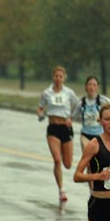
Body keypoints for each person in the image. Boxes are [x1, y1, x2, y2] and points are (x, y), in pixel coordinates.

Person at [37, 66, 80, 204]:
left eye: (61, 76)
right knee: (57, 160)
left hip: (66, 128)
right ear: (53, 77)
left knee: (67, 164)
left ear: (64, 78)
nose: (58, 79)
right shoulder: (46, 93)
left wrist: (71, 118)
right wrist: (41, 114)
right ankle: (61, 191)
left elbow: (78, 105)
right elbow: (40, 106)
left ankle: (62, 150)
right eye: (56, 76)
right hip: (53, 128)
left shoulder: (69, 93)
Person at [72, 76, 110, 154]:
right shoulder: (80, 103)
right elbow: (72, 117)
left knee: (99, 161)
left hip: (100, 135)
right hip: (85, 135)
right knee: (88, 160)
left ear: (97, 87)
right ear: (86, 87)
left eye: (94, 85)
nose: (91, 87)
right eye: (89, 84)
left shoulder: (103, 101)